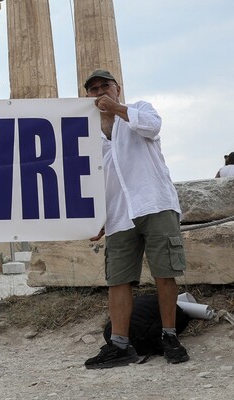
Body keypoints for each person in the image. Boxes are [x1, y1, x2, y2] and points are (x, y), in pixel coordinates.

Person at [83, 70, 189, 369]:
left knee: (164, 273)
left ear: (118, 89)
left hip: (154, 202)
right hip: (118, 213)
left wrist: (117, 109)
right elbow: (96, 178)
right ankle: (119, 345)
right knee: (117, 279)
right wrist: (98, 218)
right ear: (87, 97)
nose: (100, 91)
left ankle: (169, 336)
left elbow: (153, 128)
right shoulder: (88, 132)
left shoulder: (140, 108)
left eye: (106, 86)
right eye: (94, 89)